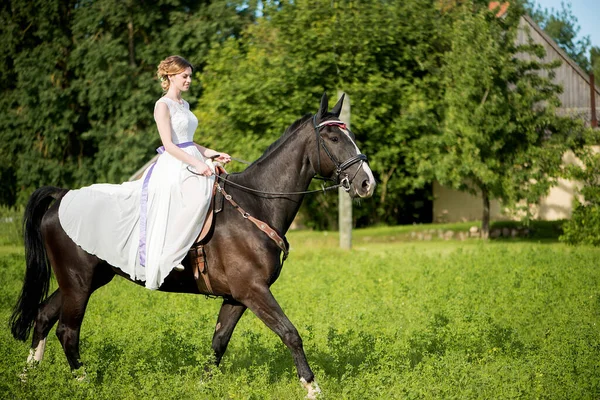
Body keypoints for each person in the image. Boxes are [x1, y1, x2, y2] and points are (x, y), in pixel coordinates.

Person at [58, 55, 230, 289]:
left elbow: (189, 142)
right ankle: (172, 253)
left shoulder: (185, 105)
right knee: (196, 196)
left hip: (191, 157)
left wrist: (212, 153)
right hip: (174, 164)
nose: (189, 80)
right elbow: (169, 145)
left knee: (215, 190)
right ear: (170, 77)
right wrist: (197, 164)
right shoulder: (162, 105)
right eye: (185, 76)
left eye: (190, 76)